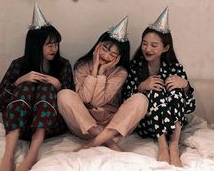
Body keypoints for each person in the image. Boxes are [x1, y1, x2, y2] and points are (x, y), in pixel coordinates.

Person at [0, 3, 74, 171]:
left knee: (46, 87)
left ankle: (32, 155)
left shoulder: (63, 65)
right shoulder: (18, 64)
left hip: (50, 126)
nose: (54, 48)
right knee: (27, 86)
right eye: (49, 44)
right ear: (36, 45)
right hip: (20, 126)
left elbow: (72, 103)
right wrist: (19, 81)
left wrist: (58, 84)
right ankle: (8, 157)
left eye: (56, 44)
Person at [57, 16, 149, 151]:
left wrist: (101, 72)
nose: (106, 56)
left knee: (141, 99)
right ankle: (110, 143)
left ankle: (93, 143)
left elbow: (98, 101)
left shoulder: (120, 72)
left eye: (112, 54)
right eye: (105, 49)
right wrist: (94, 68)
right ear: (98, 45)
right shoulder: (82, 66)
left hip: (112, 126)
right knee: (64, 95)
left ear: (119, 58)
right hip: (84, 125)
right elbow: (85, 99)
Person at [123, 7, 196, 167]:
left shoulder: (175, 68)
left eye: (154, 45)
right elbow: (125, 104)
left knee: (175, 89)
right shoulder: (135, 67)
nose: (147, 49)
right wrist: (141, 87)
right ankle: (162, 145)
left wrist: (185, 86)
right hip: (147, 125)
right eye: (144, 44)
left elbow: (189, 107)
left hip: (174, 123)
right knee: (153, 88)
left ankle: (174, 145)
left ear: (165, 48)